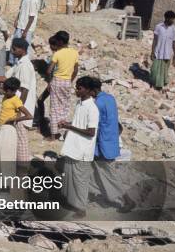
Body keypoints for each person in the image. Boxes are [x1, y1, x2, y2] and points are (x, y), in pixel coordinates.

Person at [89, 77, 135, 213]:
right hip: (111, 143)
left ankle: (128, 200)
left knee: (108, 174)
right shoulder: (110, 98)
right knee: (100, 172)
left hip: (101, 145)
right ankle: (100, 196)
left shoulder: (97, 103)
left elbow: (94, 126)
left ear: (92, 90)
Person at [60, 76, 100, 218]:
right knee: (70, 178)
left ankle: (82, 208)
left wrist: (69, 126)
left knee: (80, 181)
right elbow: (79, 123)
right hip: (74, 147)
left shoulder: (92, 109)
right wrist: (68, 124)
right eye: (77, 87)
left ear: (88, 90)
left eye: (80, 88)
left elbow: (91, 132)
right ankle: (72, 203)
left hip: (83, 150)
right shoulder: (79, 104)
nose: (77, 90)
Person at [0, 77, 33, 176]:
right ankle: (1, 183)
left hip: (8, 130)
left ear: (14, 90)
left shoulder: (16, 100)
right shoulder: (6, 97)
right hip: (1, 129)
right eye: (5, 90)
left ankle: (7, 185)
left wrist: (13, 119)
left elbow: (29, 116)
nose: (6, 92)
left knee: (7, 157)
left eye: (8, 91)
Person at [46, 31, 79, 141]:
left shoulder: (58, 54)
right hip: (67, 83)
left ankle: (53, 135)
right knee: (64, 107)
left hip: (57, 82)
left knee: (54, 108)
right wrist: (70, 80)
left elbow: (49, 70)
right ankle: (62, 130)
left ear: (60, 41)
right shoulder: (74, 53)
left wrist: (50, 81)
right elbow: (75, 69)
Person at [147, 11, 175, 91]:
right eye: (171, 19)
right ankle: (154, 83)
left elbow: (174, 42)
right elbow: (155, 40)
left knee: (164, 70)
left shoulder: (173, 28)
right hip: (158, 52)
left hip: (167, 53)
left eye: (173, 19)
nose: (172, 21)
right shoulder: (159, 27)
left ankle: (160, 85)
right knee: (155, 69)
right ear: (166, 18)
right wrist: (152, 52)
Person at [12, 0, 38, 64]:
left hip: (27, 29)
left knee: (25, 47)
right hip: (20, 25)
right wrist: (16, 20)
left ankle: (24, 64)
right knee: (16, 45)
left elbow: (31, 17)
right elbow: (21, 10)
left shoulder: (33, 0)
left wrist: (25, 31)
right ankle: (15, 63)